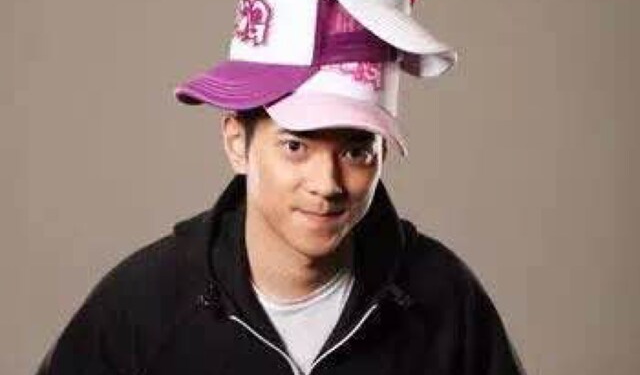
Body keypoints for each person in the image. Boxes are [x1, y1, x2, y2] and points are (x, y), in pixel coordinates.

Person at [37, 107, 525, 374]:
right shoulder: (146, 302)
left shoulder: (443, 296)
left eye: (356, 151)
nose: (327, 184)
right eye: (295, 146)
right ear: (238, 143)